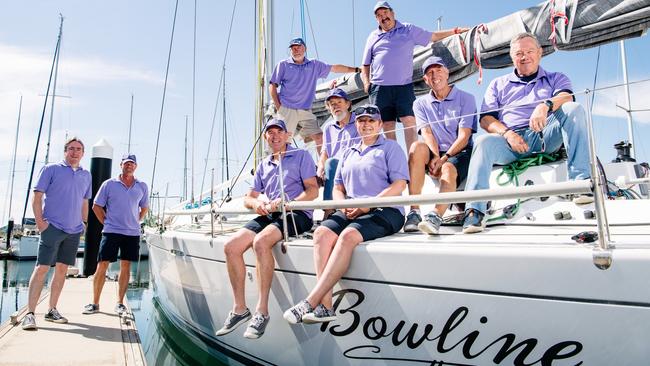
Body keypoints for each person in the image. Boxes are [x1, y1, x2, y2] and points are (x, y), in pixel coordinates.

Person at [283, 104, 408, 324]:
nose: (366, 125)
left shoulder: (390, 148)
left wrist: (369, 204)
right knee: (321, 233)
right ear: (356, 125)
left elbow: (399, 185)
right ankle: (327, 307)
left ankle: (311, 302)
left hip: (386, 209)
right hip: (352, 209)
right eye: (361, 121)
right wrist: (342, 206)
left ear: (379, 124)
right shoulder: (348, 153)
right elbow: (339, 188)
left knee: (348, 236)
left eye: (371, 121)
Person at [462, 32, 592, 234]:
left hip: (545, 135)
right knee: (482, 142)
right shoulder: (498, 84)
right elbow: (486, 119)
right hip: (510, 143)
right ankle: (474, 211)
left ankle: (580, 183)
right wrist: (507, 134)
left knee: (574, 109)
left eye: (530, 51)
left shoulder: (556, 78)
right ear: (512, 57)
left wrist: (545, 105)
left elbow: (566, 97)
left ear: (540, 53)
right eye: (519, 53)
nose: (525, 56)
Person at [215, 119, 318, 339]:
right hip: (270, 213)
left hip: (296, 213)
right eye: (270, 133)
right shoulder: (264, 164)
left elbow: (312, 190)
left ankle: (262, 312)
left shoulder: (302, 157)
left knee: (260, 242)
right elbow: (248, 198)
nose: (274, 136)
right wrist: (257, 204)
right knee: (231, 246)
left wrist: (288, 202)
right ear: (265, 138)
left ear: (287, 135)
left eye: (279, 132)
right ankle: (240, 309)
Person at [361, 1, 468, 152]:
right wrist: (367, 83)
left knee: (410, 121)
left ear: (392, 13)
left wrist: (455, 31)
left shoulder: (408, 29)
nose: (383, 17)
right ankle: (395, 160)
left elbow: (433, 36)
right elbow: (365, 64)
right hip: (380, 87)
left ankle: (413, 160)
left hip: (403, 85)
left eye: (385, 13)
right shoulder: (372, 37)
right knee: (387, 125)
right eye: (378, 16)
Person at [21, 137, 92, 330]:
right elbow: (37, 197)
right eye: (71, 149)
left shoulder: (86, 175)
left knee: (61, 270)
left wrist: (84, 223)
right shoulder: (51, 169)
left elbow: (85, 202)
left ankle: (52, 310)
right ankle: (30, 314)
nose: (74, 152)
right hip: (52, 227)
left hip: (74, 230)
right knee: (42, 268)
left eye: (78, 149)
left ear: (83, 153)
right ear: (65, 151)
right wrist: (41, 224)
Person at [403, 56, 477, 234]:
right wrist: (435, 156)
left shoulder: (466, 98)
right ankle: (414, 211)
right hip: (436, 151)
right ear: (425, 80)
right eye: (429, 72)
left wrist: (443, 159)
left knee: (448, 169)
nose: (434, 75)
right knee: (416, 148)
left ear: (447, 72)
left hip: (460, 150)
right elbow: (427, 133)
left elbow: (464, 136)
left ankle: (436, 215)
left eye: (438, 70)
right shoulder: (419, 104)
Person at [82, 154, 149, 316]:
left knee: (126, 266)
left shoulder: (142, 186)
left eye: (132, 163)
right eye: (126, 163)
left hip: (132, 234)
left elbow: (144, 208)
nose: (129, 166)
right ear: (121, 165)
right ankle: (95, 303)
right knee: (102, 265)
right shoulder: (109, 184)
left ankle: (119, 303)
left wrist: (136, 221)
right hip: (111, 231)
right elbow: (97, 206)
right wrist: (106, 222)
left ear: (136, 166)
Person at [270, 37, 359, 155]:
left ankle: (323, 169)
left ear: (305, 49)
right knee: (283, 142)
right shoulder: (283, 65)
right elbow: (272, 86)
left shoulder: (314, 65)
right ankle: (279, 170)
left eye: (298, 47)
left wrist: (357, 69)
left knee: (320, 138)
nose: (296, 50)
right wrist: (279, 106)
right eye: (293, 48)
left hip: (305, 110)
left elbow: (334, 68)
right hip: (287, 109)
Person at [316, 88, 360, 219]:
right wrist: (319, 168)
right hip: (334, 171)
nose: (335, 106)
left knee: (331, 163)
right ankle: (297, 216)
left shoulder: (359, 122)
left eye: (339, 102)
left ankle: (328, 212)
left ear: (348, 104)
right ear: (329, 108)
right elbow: (325, 152)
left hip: (353, 166)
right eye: (332, 104)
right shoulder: (328, 128)